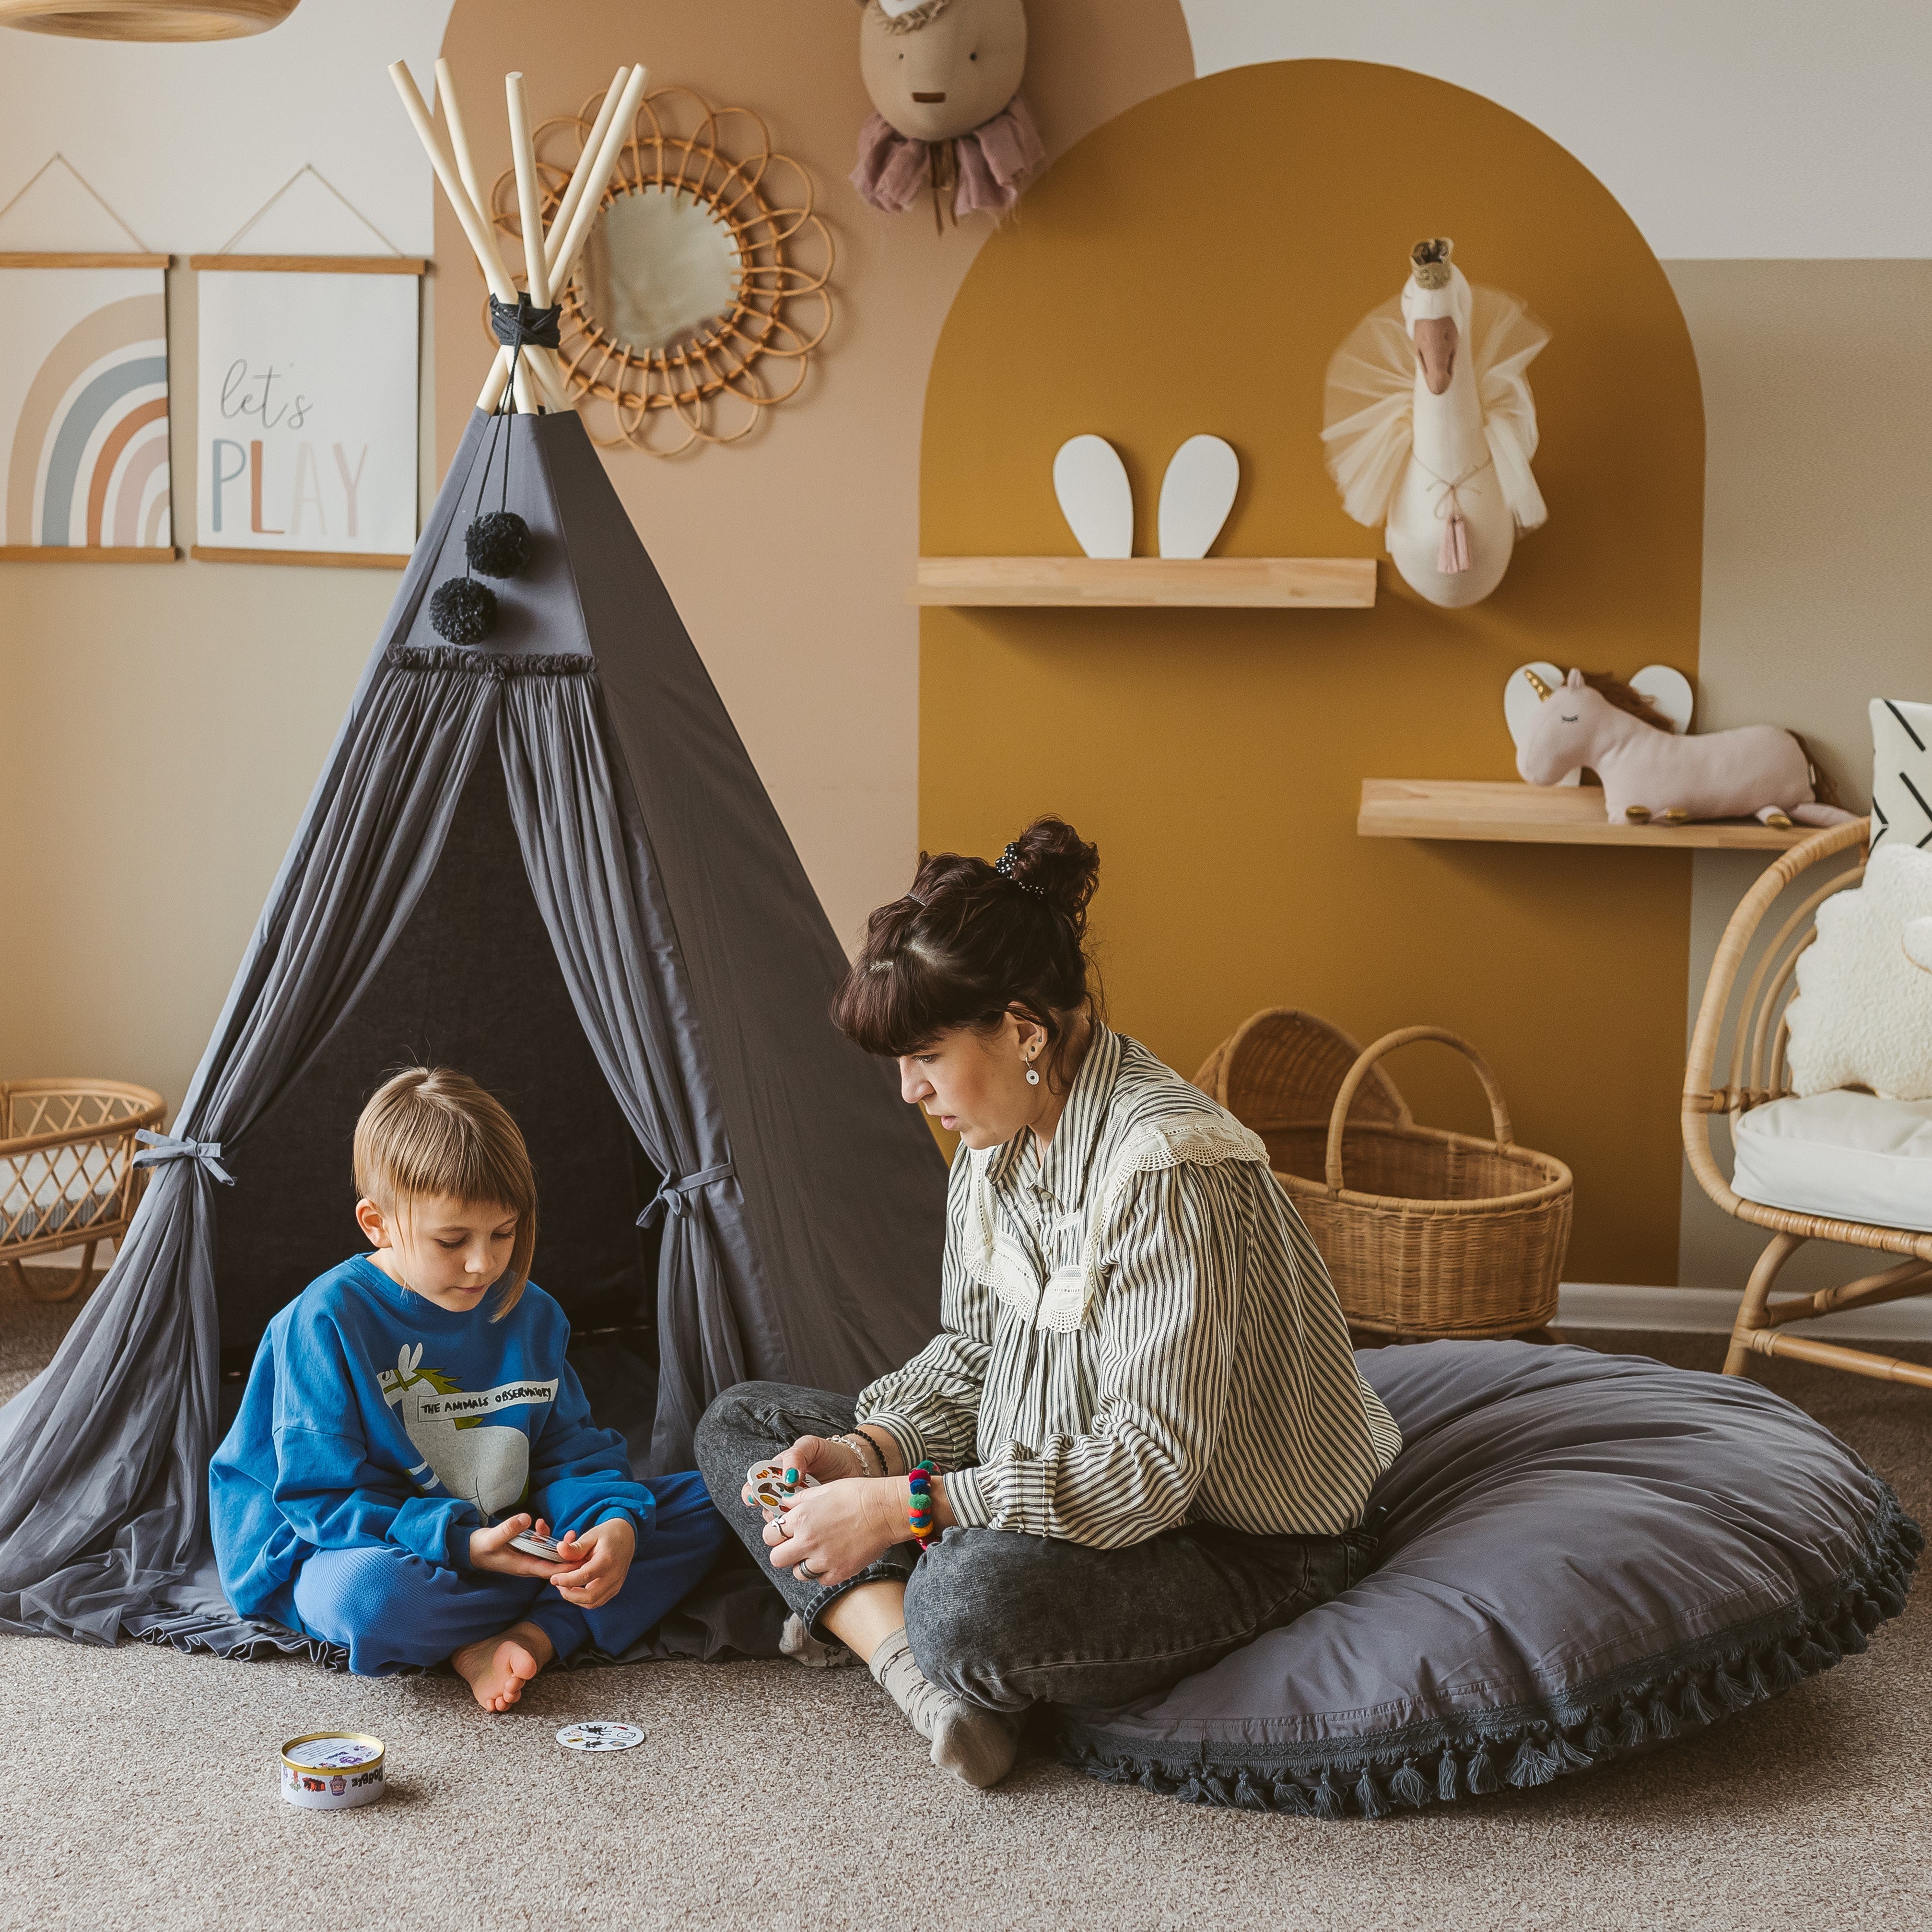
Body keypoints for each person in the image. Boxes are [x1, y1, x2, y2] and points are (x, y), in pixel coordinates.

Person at [696, 818, 1403, 1788]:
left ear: (1024, 1029)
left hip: (1237, 1537)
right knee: (741, 1423)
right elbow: (972, 1352)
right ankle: (925, 1683)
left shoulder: (1166, 1169)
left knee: (962, 1598)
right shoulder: (994, 1135)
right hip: (1045, 1458)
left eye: (926, 1057)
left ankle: (917, 1640)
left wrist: (908, 1507)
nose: (909, 1090)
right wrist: (868, 1454)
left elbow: (1150, 1467)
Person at [211, 1066, 725, 1711]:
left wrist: (610, 1525)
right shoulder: (324, 1320)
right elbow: (322, 1499)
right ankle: (538, 1619)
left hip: (497, 1539)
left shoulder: (531, 1313)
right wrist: (463, 1545)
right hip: (350, 1542)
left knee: (718, 1501)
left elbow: (572, 1452)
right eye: (452, 1240)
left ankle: (527, 1635)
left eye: (503, 1233)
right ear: (378, 1224)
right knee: (372, 1600)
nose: (483, 1263)